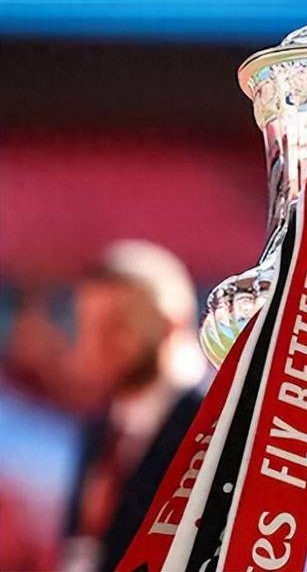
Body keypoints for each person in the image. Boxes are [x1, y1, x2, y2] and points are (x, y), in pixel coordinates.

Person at [60, 240, 206, 572]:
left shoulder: (212, 426)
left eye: (115, 326)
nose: (94, 343)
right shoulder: (102, 426)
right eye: (87, 324)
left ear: (172, 324)